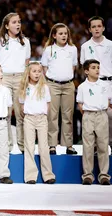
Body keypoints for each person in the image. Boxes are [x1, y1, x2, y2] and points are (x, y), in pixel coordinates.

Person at [0, 12, 31, 153]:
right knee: (5, 113)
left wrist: (26, 82)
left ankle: (23, 146)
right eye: (14, 22)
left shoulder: (25, 42)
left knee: (21, 114)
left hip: (20, 78)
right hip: (4, 78)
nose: (18, 24)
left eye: (19, 21)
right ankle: (6, 146)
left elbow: (27, 65)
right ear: (6, 26)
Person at [41, 23, 78, 155]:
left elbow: (73, 66)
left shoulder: (72, 49)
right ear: (54, 36)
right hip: (53, 85)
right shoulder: (49, 49)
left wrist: (67, 78)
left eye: (65, 33)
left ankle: (68, 145)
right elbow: (44, 68)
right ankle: (52, 145)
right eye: (60, 33)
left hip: (68, 85)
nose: (63, 35)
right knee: (52, 115)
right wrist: (51, 81)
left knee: (68, 116)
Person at [19, 62, 56, 184]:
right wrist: (28, 113)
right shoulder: (24, 87)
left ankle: (48, 175)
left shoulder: (44, 87)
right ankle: (30, 176)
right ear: (28, 73)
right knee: (29, 146)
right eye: (34, 71)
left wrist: (43, 115)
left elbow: (48, 104)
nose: (37, 73)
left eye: (39, 71)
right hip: (29, 118)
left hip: (41, 119)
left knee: (43, 147)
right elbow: (21, 104)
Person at [80, 16, 112, 154]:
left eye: (99, 26)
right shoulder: (85, 46)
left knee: (109, 116)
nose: (96, 29)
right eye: (93, 26)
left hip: (108, 82)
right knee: (93, 117)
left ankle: (109, 146)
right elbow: (84, 67)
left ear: (103, 28)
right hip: (92, 85)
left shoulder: (111, 45)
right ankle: (93, 148)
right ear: (89, 29)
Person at [76, 59, 111, 185]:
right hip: (88, 115)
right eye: (93, 67)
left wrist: (102, 110)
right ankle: (88, 175)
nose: (97, 70)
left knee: (103, 145)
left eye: (98, 67)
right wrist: (87, 115)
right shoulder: (82, 87)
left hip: (101, 115)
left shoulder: (104, 85)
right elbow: (80, 103)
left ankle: (104, 175)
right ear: (86, 71)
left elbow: (107, 101)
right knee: (88, 146)